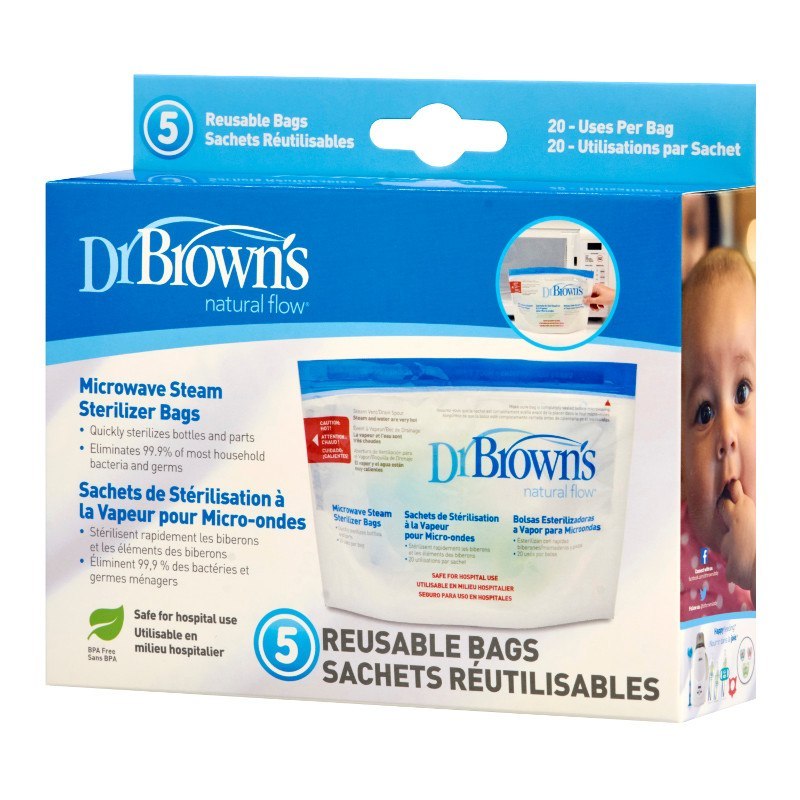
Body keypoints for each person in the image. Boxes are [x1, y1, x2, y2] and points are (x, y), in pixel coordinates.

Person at [680, 247, 755, 620]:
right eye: (705, 412)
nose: (726, 434)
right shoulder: (666, 547)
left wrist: (759, 567)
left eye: (742, 392)